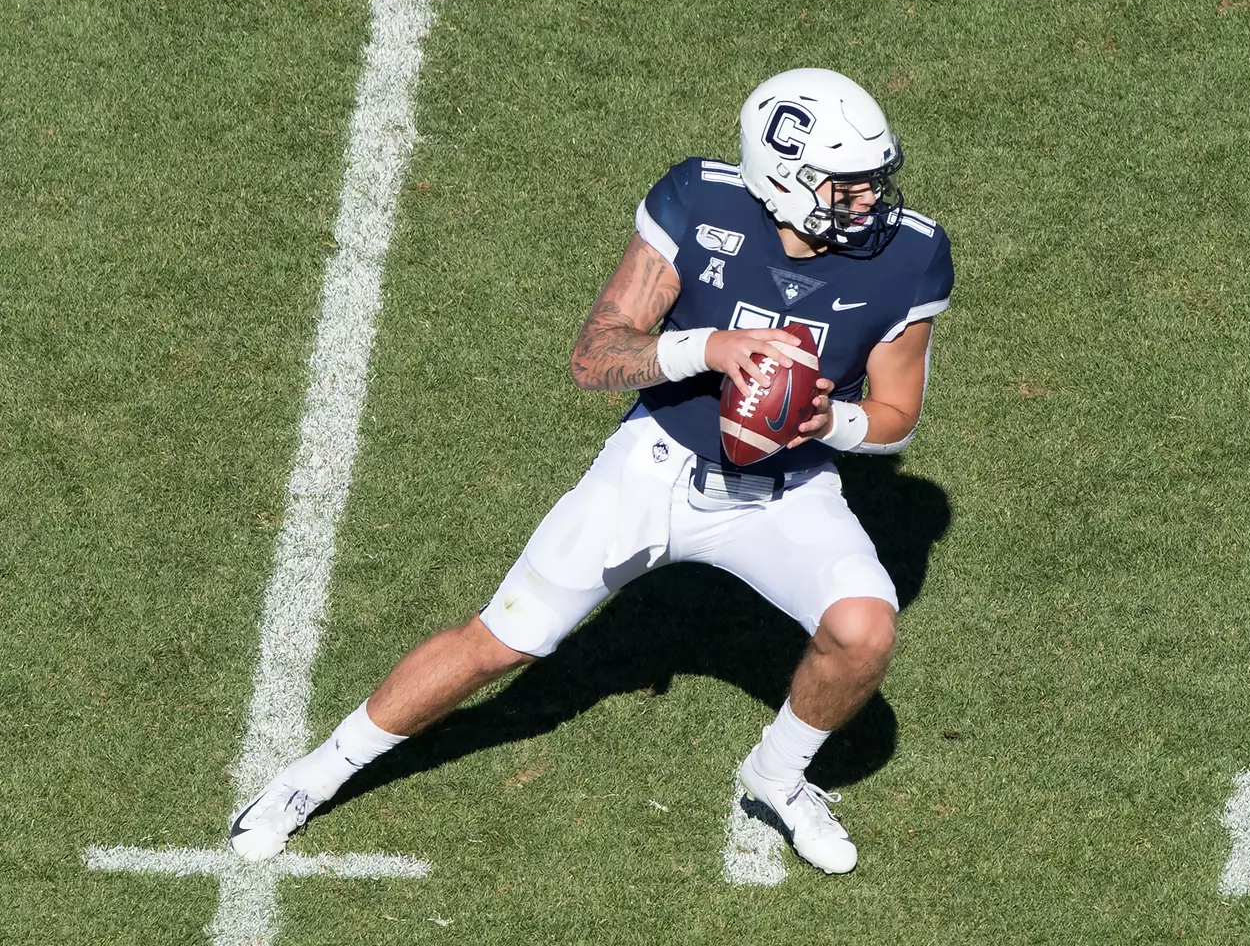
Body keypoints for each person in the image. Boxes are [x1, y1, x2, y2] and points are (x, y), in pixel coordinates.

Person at [230, 68, 953, 874]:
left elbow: (894, 419)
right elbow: (594, 355)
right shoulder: (701, 203)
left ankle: (776, 778)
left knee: (865, 630)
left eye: (872, 181)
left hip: (786, 491)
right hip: (654, 469)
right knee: (500, 642)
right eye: (846, 185)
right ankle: (310, 778)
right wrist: (709, 349)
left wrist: (831, 421)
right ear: (783, 180)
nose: (870, 202)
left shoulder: (910, 255)